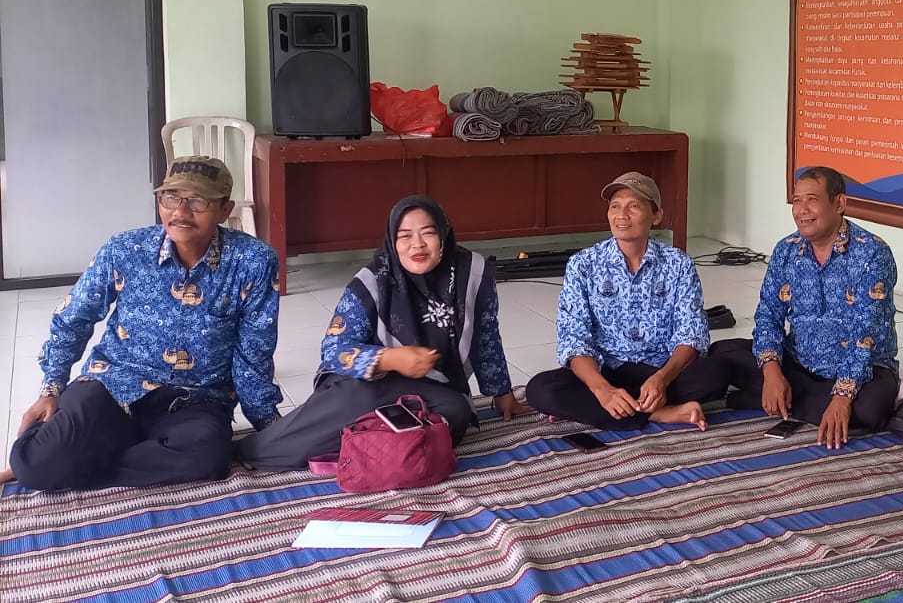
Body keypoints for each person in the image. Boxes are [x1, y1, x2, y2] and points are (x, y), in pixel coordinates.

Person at [3, 157, 281, 490]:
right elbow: (73, 318)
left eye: (198, 201)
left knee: (209, 456)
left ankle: (90, 459)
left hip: (196, 398)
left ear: (225, 209)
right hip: (114, 385)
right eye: (170, 198)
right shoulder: (125, 249)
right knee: (36, 464)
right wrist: (51, 388)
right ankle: (92, 454)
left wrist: (269, 425)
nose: (180, 211)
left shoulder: (253, 261)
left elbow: (254, 352)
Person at [237, 196, 527, 470]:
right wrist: (389, 359)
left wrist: (501, 391)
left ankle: (364, 447)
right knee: (356, 404)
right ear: (392, 240)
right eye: (405, 236)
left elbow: (486, 335)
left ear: (444, 234)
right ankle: (261, 451)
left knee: (457, 413)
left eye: (428, 233)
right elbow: (334, 350)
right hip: (369, 384)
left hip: (435, 388)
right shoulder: (374, 280)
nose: (417, 245)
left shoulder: (471, 273)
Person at [713, 166, 899, 449]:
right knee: (722, 355)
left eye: (812, 199)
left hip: (861, 368)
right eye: (796, 201)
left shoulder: (872, 253)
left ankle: (776, 400)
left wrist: (842, 397)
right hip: (799, 362)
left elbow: (867, 334)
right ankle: (792, 394)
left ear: (839, 203)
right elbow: (768, 314)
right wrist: (773, 372)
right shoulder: (786, 250)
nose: (802, 210)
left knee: (870, 409)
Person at [524, 172, 726, 430]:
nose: (622, 215)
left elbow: (692, 330)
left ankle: (606, 410)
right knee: (541, 390)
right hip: (605, 368)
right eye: (615, 206)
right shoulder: (583, 264)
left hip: (659, 368)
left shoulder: (679, 263)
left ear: (656, 216)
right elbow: (573, 337)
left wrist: (662, 380)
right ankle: (659, 413)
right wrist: (601, 390)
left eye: (634, 206)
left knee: (716, 372)